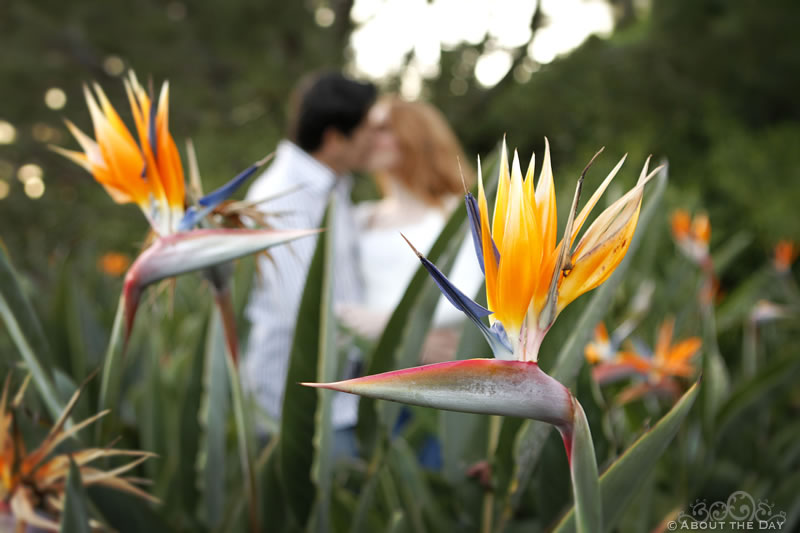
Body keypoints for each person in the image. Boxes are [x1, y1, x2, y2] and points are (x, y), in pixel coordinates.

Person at [242, 72, 378, 439]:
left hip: (338, 397)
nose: (373, 140)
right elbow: (302, 307)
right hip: (293, 411)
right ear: (334, 138)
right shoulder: (280, 195)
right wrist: (387, 329)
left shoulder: (334, 184)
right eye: (367, 129)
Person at [337, 97, 484, 363]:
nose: (369, 138)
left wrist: (388, 325)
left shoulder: (456, 213)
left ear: (414, 135)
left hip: (439, 372)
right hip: (368, 368)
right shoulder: (359, 218)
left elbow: (474, 295)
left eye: (383, 128)